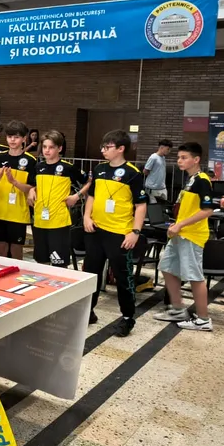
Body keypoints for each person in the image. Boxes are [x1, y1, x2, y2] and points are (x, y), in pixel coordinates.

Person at [83, 129, 148, 336]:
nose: (103, 150)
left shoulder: (132, 173)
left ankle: (127, 317)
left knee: (122, 277)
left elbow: (140, 205)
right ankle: (88, 311)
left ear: (120, 149)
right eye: (102, 147)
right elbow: (91, 196)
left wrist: (135, 232)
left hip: (120, 233)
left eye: (107, 147)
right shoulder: (99, 169)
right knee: (90, 273)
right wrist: (86, 216)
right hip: (96, 230)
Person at [154, 142, 215, 332]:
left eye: (184, 157)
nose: (179, 161)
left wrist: (181, 225)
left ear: (196, 159)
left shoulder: (202, 180)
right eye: (178, 157)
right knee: (166, 267)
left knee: (195, 276)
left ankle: (203, 319)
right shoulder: (190, 179)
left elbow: (207, 210)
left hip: (192, 235)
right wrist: (176, 224)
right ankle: (178, 309)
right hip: (179, 233)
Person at [28, 130, 88, 268]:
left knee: (59, 262)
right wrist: (31, 190)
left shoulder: (68, 168)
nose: (47, 150)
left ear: (59, 148)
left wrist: (77, 196)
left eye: (51, 147)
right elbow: (33, 185)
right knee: (41, 261)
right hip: (40, 219)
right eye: (44, 147)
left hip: (59, 221)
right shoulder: (38, 167)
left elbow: (89, 182)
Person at [0, 120, 36, 260]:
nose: (12, 140)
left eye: (16, 137)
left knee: (16, 250)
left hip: (18, 213)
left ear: (24, 139)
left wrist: (14, 182)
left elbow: (31, 187)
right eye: (10, 137)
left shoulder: (31, 160)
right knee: (1, 248)